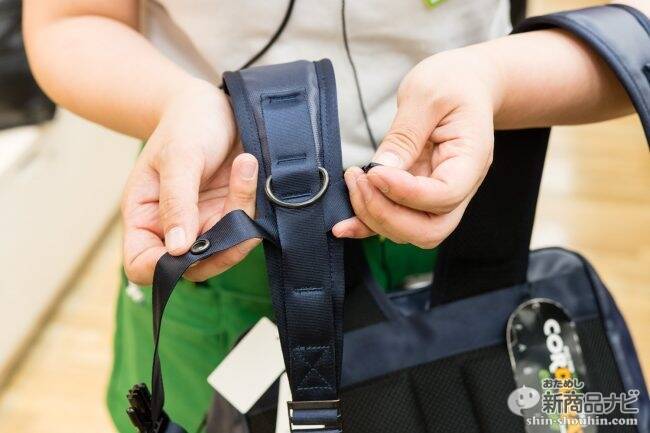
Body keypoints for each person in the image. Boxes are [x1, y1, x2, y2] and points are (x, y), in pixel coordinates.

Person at [22, 0, 649, 431]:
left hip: (464, 212)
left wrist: (497, 80)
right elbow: (72, 19)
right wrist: (179, 104)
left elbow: (629, 26)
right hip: (226, 224)